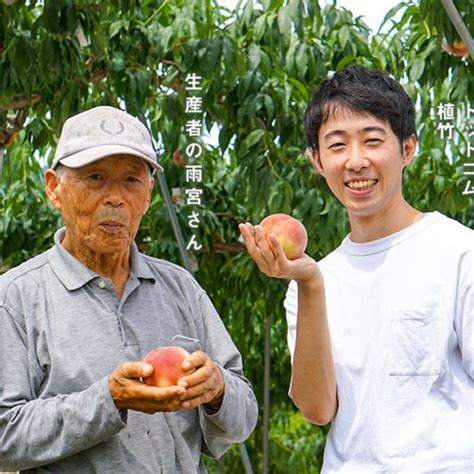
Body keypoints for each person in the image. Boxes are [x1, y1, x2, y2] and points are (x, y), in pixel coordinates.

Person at [239, 66, 473, 473]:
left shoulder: (458, 251)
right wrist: (310, 283)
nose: (356, 161)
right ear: (317, 160)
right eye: (337, 145)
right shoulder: (312, 279)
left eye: (372, 140)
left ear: (408, 149)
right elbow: (317, 408)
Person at [0, 106, 258, 473]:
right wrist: (108, 401)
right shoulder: (16, 298)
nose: (115, 198)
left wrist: (218, 391)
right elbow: (4, 438)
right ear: (54, 189)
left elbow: (245, 417)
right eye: (95, 177)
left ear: (149, 193)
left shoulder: (180, 288)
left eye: (131, 181)